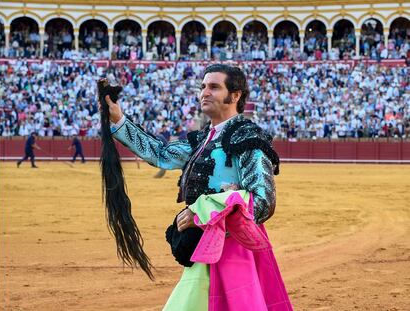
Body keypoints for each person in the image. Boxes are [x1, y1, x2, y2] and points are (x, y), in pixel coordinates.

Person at [102, 64, 292, 310]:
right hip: (206, 247)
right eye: (203, 86)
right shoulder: (203, 139)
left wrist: (202, 213)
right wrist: (119, 119)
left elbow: (263, 202)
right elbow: (160, 153)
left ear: (235, 96)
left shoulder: (248, 139)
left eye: (214, 87)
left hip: (233, 249)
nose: (205, 92)